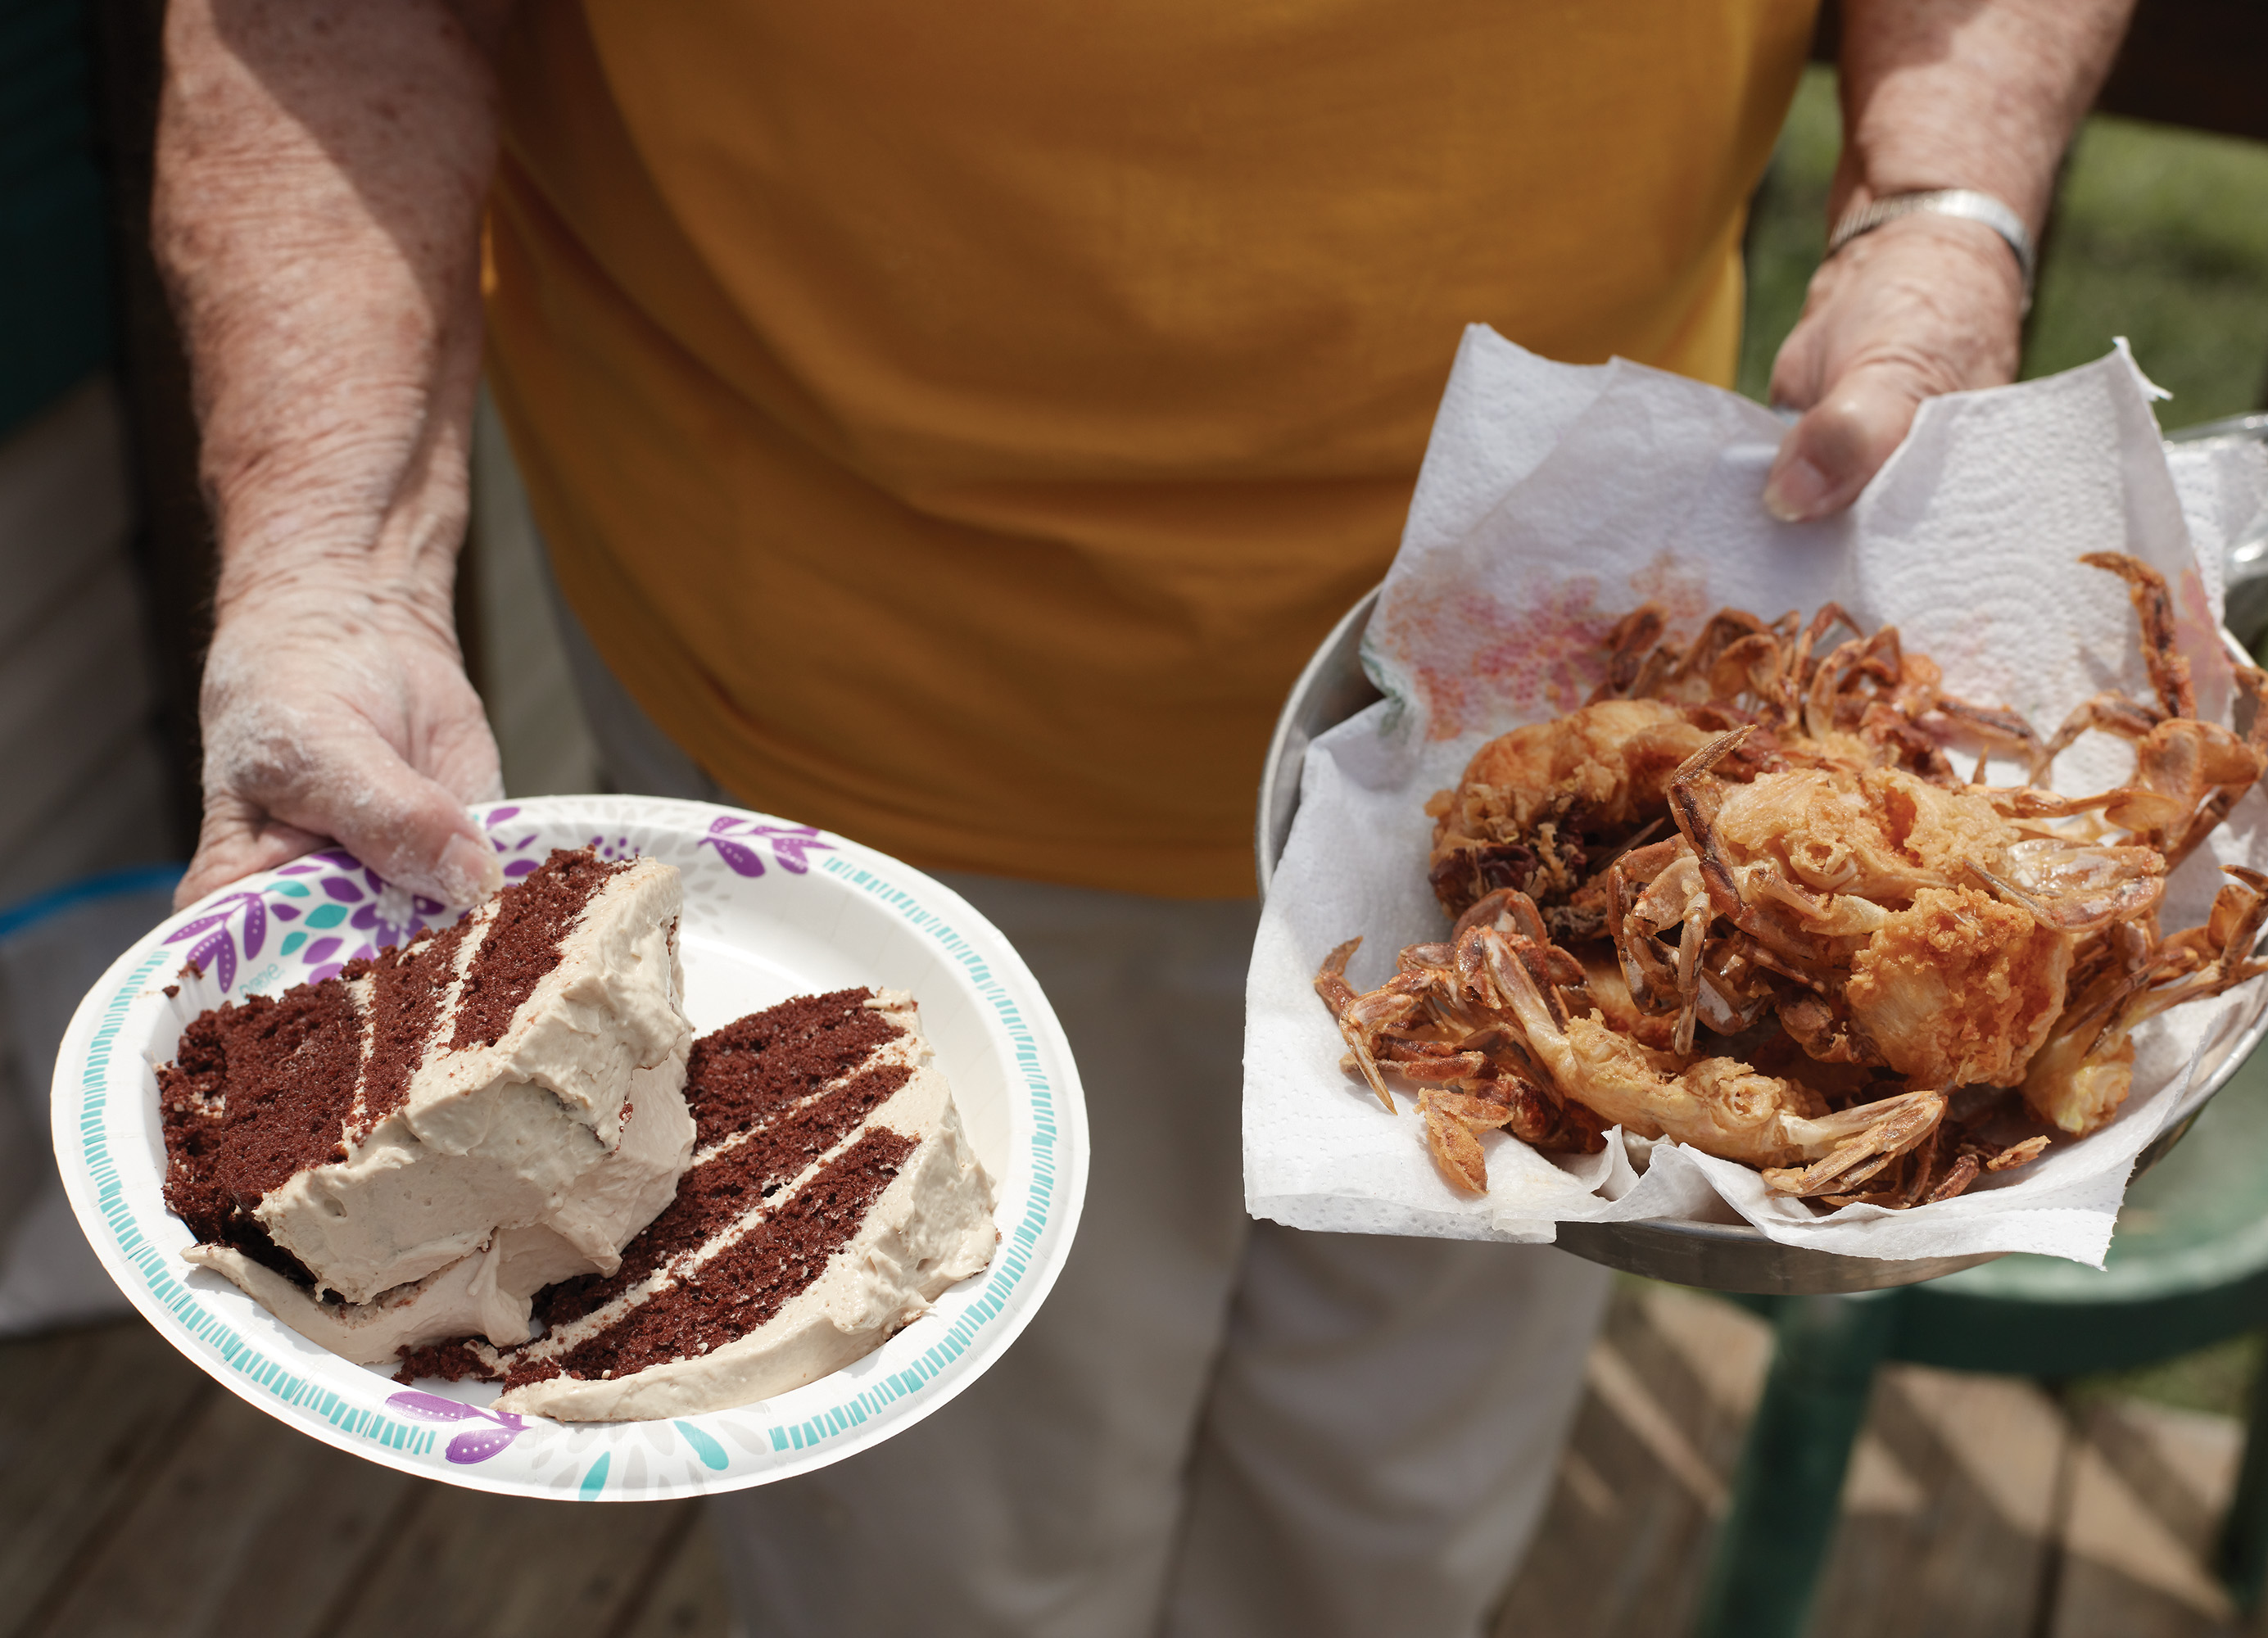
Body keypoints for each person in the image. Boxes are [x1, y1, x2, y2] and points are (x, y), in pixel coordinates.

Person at [156, 1, 2130, 1631]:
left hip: (1579, 714)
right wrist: (335, 554)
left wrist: (1943, 199)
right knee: (939, 1571)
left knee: (1391, 1519)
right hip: (852, 756)